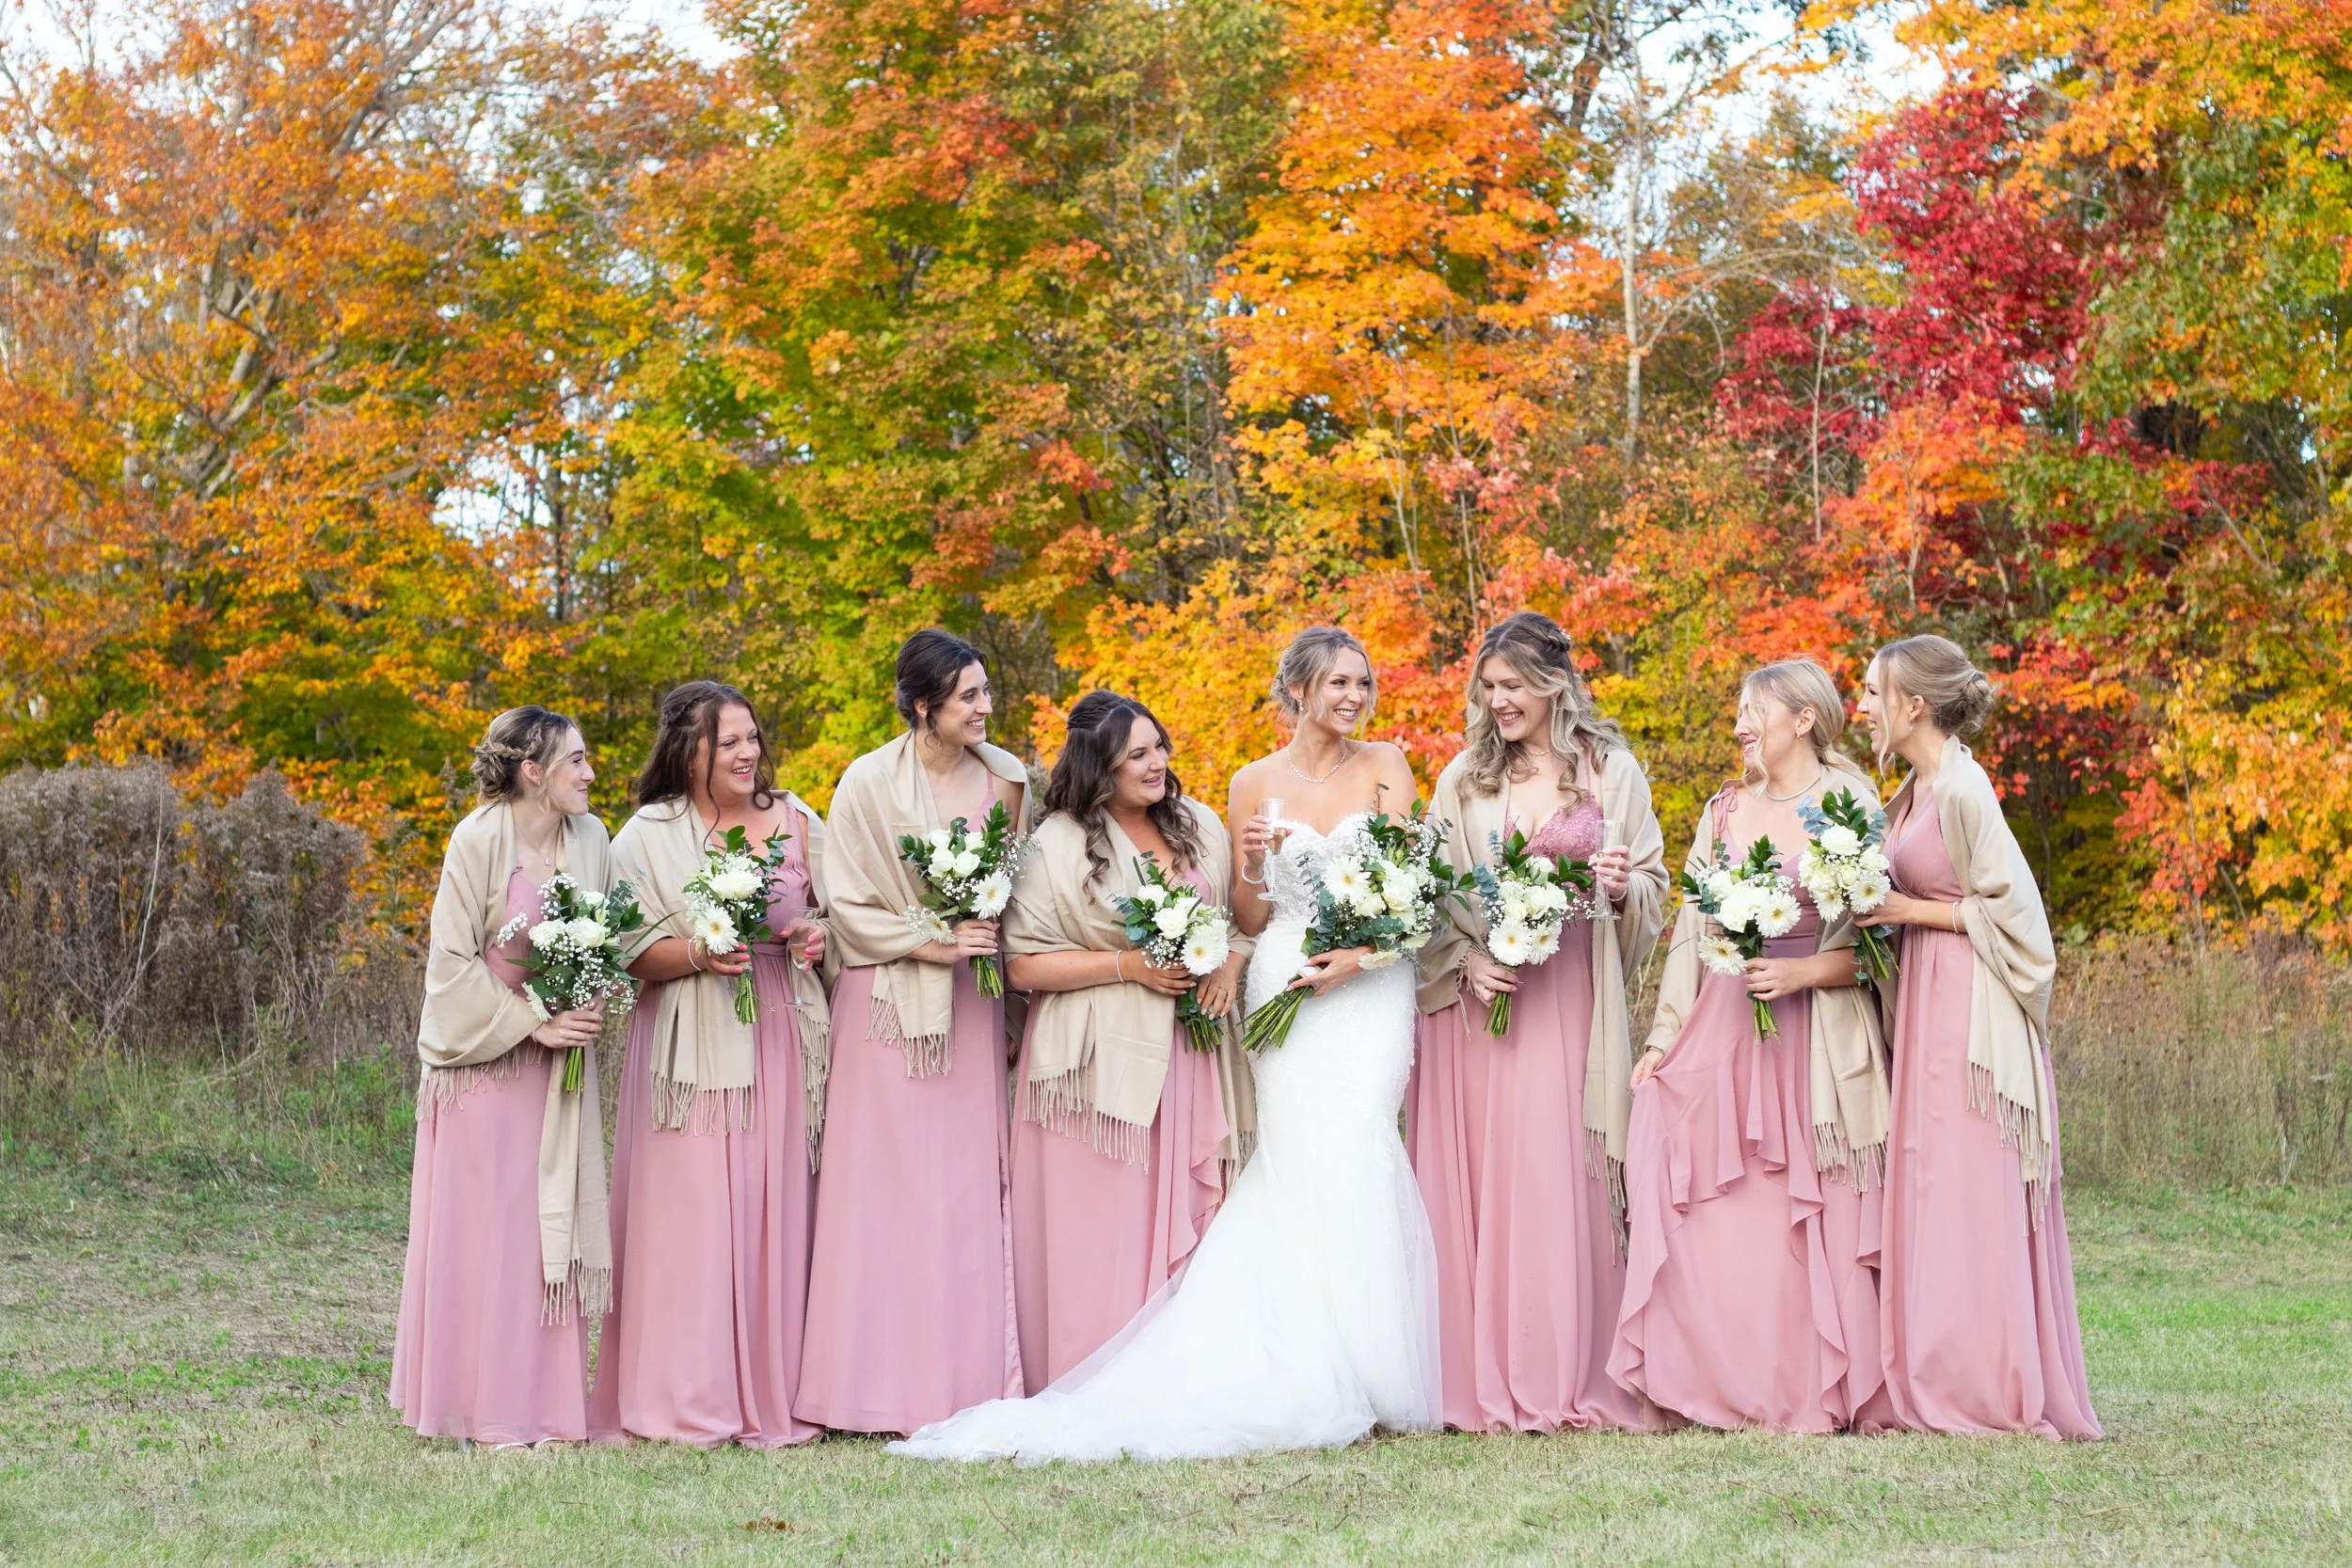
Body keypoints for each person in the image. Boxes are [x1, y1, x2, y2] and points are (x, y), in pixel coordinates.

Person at [889, 626, 1441, 1462]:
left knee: (1359, 1148)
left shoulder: (1379, 768)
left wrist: (1344, 954)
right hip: (1278, 984)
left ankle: (1371, 1360)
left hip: (1363, 989)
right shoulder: (1246, 786)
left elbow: (1396, 888)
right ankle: (1298, 1352)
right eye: (1337, 681)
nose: (1355, 696)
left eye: (1363, 682)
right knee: (1293, 1160)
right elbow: (1251, 914)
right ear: (1297, 690)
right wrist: (1249, 889)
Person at [1608, 660, 1890, 1433]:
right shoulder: (1724, 809)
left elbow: (1880, 944)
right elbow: (1691, 934)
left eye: (1752, 709)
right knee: (1704, 1186)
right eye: (1736, 708)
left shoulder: (1850, 802)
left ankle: (1805, 1384)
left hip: (1815, 1029)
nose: (1739, 723)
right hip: (1729, 1025)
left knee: (1799, 1213)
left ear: (1803, 717)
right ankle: (1715, 1381)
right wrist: (1665, 1036)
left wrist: (1802, 971)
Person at [1412, 612, 1665, 1433]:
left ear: (1555, 683)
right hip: (1485, 1010)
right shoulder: (1463, 779)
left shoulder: (1610, 771)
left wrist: (1626, 887)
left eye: (1512, 687)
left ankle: (1567, 1367)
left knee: (1564, 1171)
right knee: (1494, 1178)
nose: (1498, 703)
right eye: (1487, 689)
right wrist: (1464, 961)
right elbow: (1430, 898)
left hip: (1571, 1002)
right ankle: (1480, 1369)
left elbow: (1656, 884)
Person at [1854, 635, 2103, 1440]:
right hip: (1924, 1003)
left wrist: (1905, 913)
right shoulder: (1914, 790)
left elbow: (2020, 924)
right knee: (1929, 1182)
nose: (1861, 704)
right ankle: (1932, 1370)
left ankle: (1986, 1386)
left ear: (1912, 705)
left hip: (1971, 1015)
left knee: (1966, 1187)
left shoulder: (1965, 788)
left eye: (1871, 691)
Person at [794, 629, 1032, 1435]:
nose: (985, 707)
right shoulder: (865, 781)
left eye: (986, 692)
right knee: (880, 1193)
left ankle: (964, 1384)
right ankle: (866, 1390)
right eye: (969, 695)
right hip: (886, 1007)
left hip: (968, 1007)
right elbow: (848, 905)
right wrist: (934, 938)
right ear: (924, 704)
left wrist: (984, 943)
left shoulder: (1007, 781)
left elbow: (1012, 894)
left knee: (962, 1190)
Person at [589, 682, 834, 1447]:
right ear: (687, 747)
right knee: (690, 1215)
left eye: (752, 737)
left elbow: (839, 911)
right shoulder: (644, 835)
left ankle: (783, 1390)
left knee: (774, 1203)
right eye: (728, 741)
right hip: (686, 1045)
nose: (746, 752)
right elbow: (626, 953)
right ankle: (684, 1395)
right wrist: (695, 951)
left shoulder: (796, 818)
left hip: (782, 1031)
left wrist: (817, 936)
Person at [1003, 690, 1256, 1387]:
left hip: (1192, 1053)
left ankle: (1187, 1376)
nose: (1157, 763)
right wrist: (1129, 966)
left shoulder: (1200, 825)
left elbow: (1239, 923)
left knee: (1196, 1219)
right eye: (1136, 754)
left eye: (1159, 747)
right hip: (1093, 1067)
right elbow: (1021, 963)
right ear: (1098, 765)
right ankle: (1096, 1375)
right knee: (1102, 1230)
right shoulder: (1054, 843)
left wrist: (1229, 964)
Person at [390, 705, 614, 1447]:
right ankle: (473, 1407)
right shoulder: (477, 839)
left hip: (556, 1072)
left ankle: (544, 1408)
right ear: (533, 771)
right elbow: (450, 963)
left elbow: (605, 939)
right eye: (576, 760)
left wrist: (588, 1002)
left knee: (544, 1231)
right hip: (484, 1066)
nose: (589, 772)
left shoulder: (593, 838)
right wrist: (533, 1021)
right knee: (486, 1234)